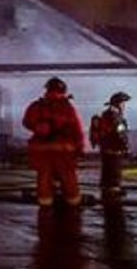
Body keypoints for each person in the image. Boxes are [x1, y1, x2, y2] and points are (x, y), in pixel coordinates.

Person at [21, 77, 85, 207]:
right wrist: (80, 147)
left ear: (47, 90)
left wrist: (38, 127)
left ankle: (45, 204)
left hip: (41, 150)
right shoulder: (67, 107)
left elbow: (27, 122)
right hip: (63, 150)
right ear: (63, 91)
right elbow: (76, 128)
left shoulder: (36, 106)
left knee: (44, 177)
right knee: (67, 177)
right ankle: (73, 204)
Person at [94, 91, 131, 204]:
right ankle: (113, 193)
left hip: (105, 148)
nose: (124, 105)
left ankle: (106, 190)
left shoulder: (105, 114)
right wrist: (125, 146)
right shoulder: (116, 117)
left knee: (107, 169)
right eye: (123, 103)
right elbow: (120, 133)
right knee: (114, 170)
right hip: (114, 148)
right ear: (119, 104)